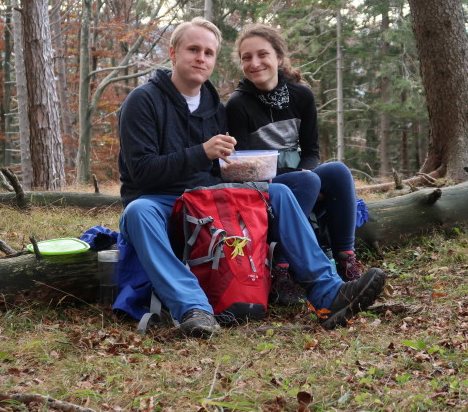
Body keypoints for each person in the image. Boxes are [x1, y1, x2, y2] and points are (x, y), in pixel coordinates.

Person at [117, 17, 385, 337]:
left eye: (209, 52)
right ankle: (193, 308)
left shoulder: (214, 108)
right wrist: (203, 153)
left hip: (209, 200)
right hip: (159, 201)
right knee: (137, 211)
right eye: (193, 49)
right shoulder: (143, 100)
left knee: (281, 193)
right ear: (173, 54)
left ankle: (328, 292)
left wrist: (243, 171)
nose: (201, 57)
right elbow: (141, 172)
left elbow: (215, 171)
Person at [226, 24, 363, 301]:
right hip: (263, 184)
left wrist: (307, 171)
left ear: (278, 57)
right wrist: (303, 177)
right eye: (246, 57)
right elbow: (244, 167)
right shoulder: (237, 105)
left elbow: (312, 150)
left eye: (262, 54)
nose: (254, 63)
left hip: (301, 174)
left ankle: (345, 259)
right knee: (306, 180)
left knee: (337, 171)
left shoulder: (302, 95)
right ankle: (282, 267)